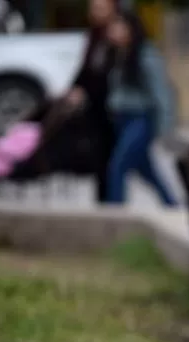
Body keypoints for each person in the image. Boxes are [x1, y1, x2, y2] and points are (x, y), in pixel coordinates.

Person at [104, 12, 177, 207]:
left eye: (118, 27)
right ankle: (174, 207)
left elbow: (161, 94)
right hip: (121, 119)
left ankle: (115, 215)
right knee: (147, 171)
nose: (113, 32)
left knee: (118, 166)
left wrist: (165, 129)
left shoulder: (146, 55)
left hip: (140, 119)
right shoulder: (117, 54)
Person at [65, 0, 120, 203]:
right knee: (102, 161)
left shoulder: (117, 37)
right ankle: (106, 204)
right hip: (96, 109)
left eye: (100, 8)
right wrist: (75, 88)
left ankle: (112, 205)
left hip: (112, 110)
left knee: (117, 162)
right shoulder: (94, 36)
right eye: (93, 8)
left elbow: (108, 74)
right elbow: (87, 69)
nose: (95, 12)